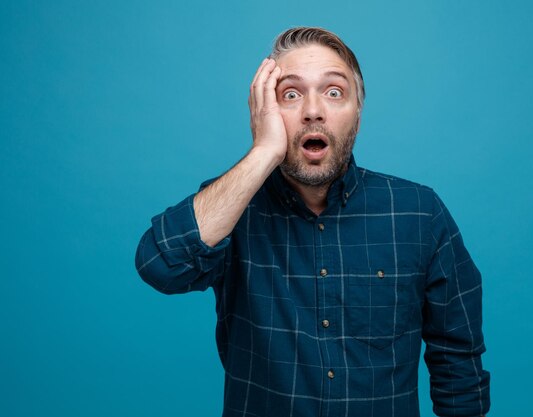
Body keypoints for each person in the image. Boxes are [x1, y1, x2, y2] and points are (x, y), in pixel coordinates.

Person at [135, 27, 490, 417]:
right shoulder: (231, 207)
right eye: (290, 94)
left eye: (334, 92)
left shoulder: (419, 212)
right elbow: (160, 266)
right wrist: (264, 151)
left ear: (357, 111)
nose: (313, 110)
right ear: (263, 110)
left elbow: (458, 363)